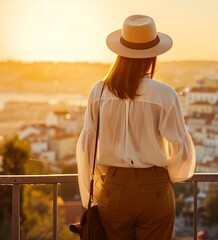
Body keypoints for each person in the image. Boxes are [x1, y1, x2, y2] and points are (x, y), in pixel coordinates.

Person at [76, 15, 196, 240]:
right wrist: (167, 175)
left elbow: (87, 147)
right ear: (153, 55)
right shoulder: (164, 94)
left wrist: (99, 187)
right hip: (154, 188)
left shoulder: (99, 92)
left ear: (120, 53)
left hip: (114, 187)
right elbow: (180, 146)